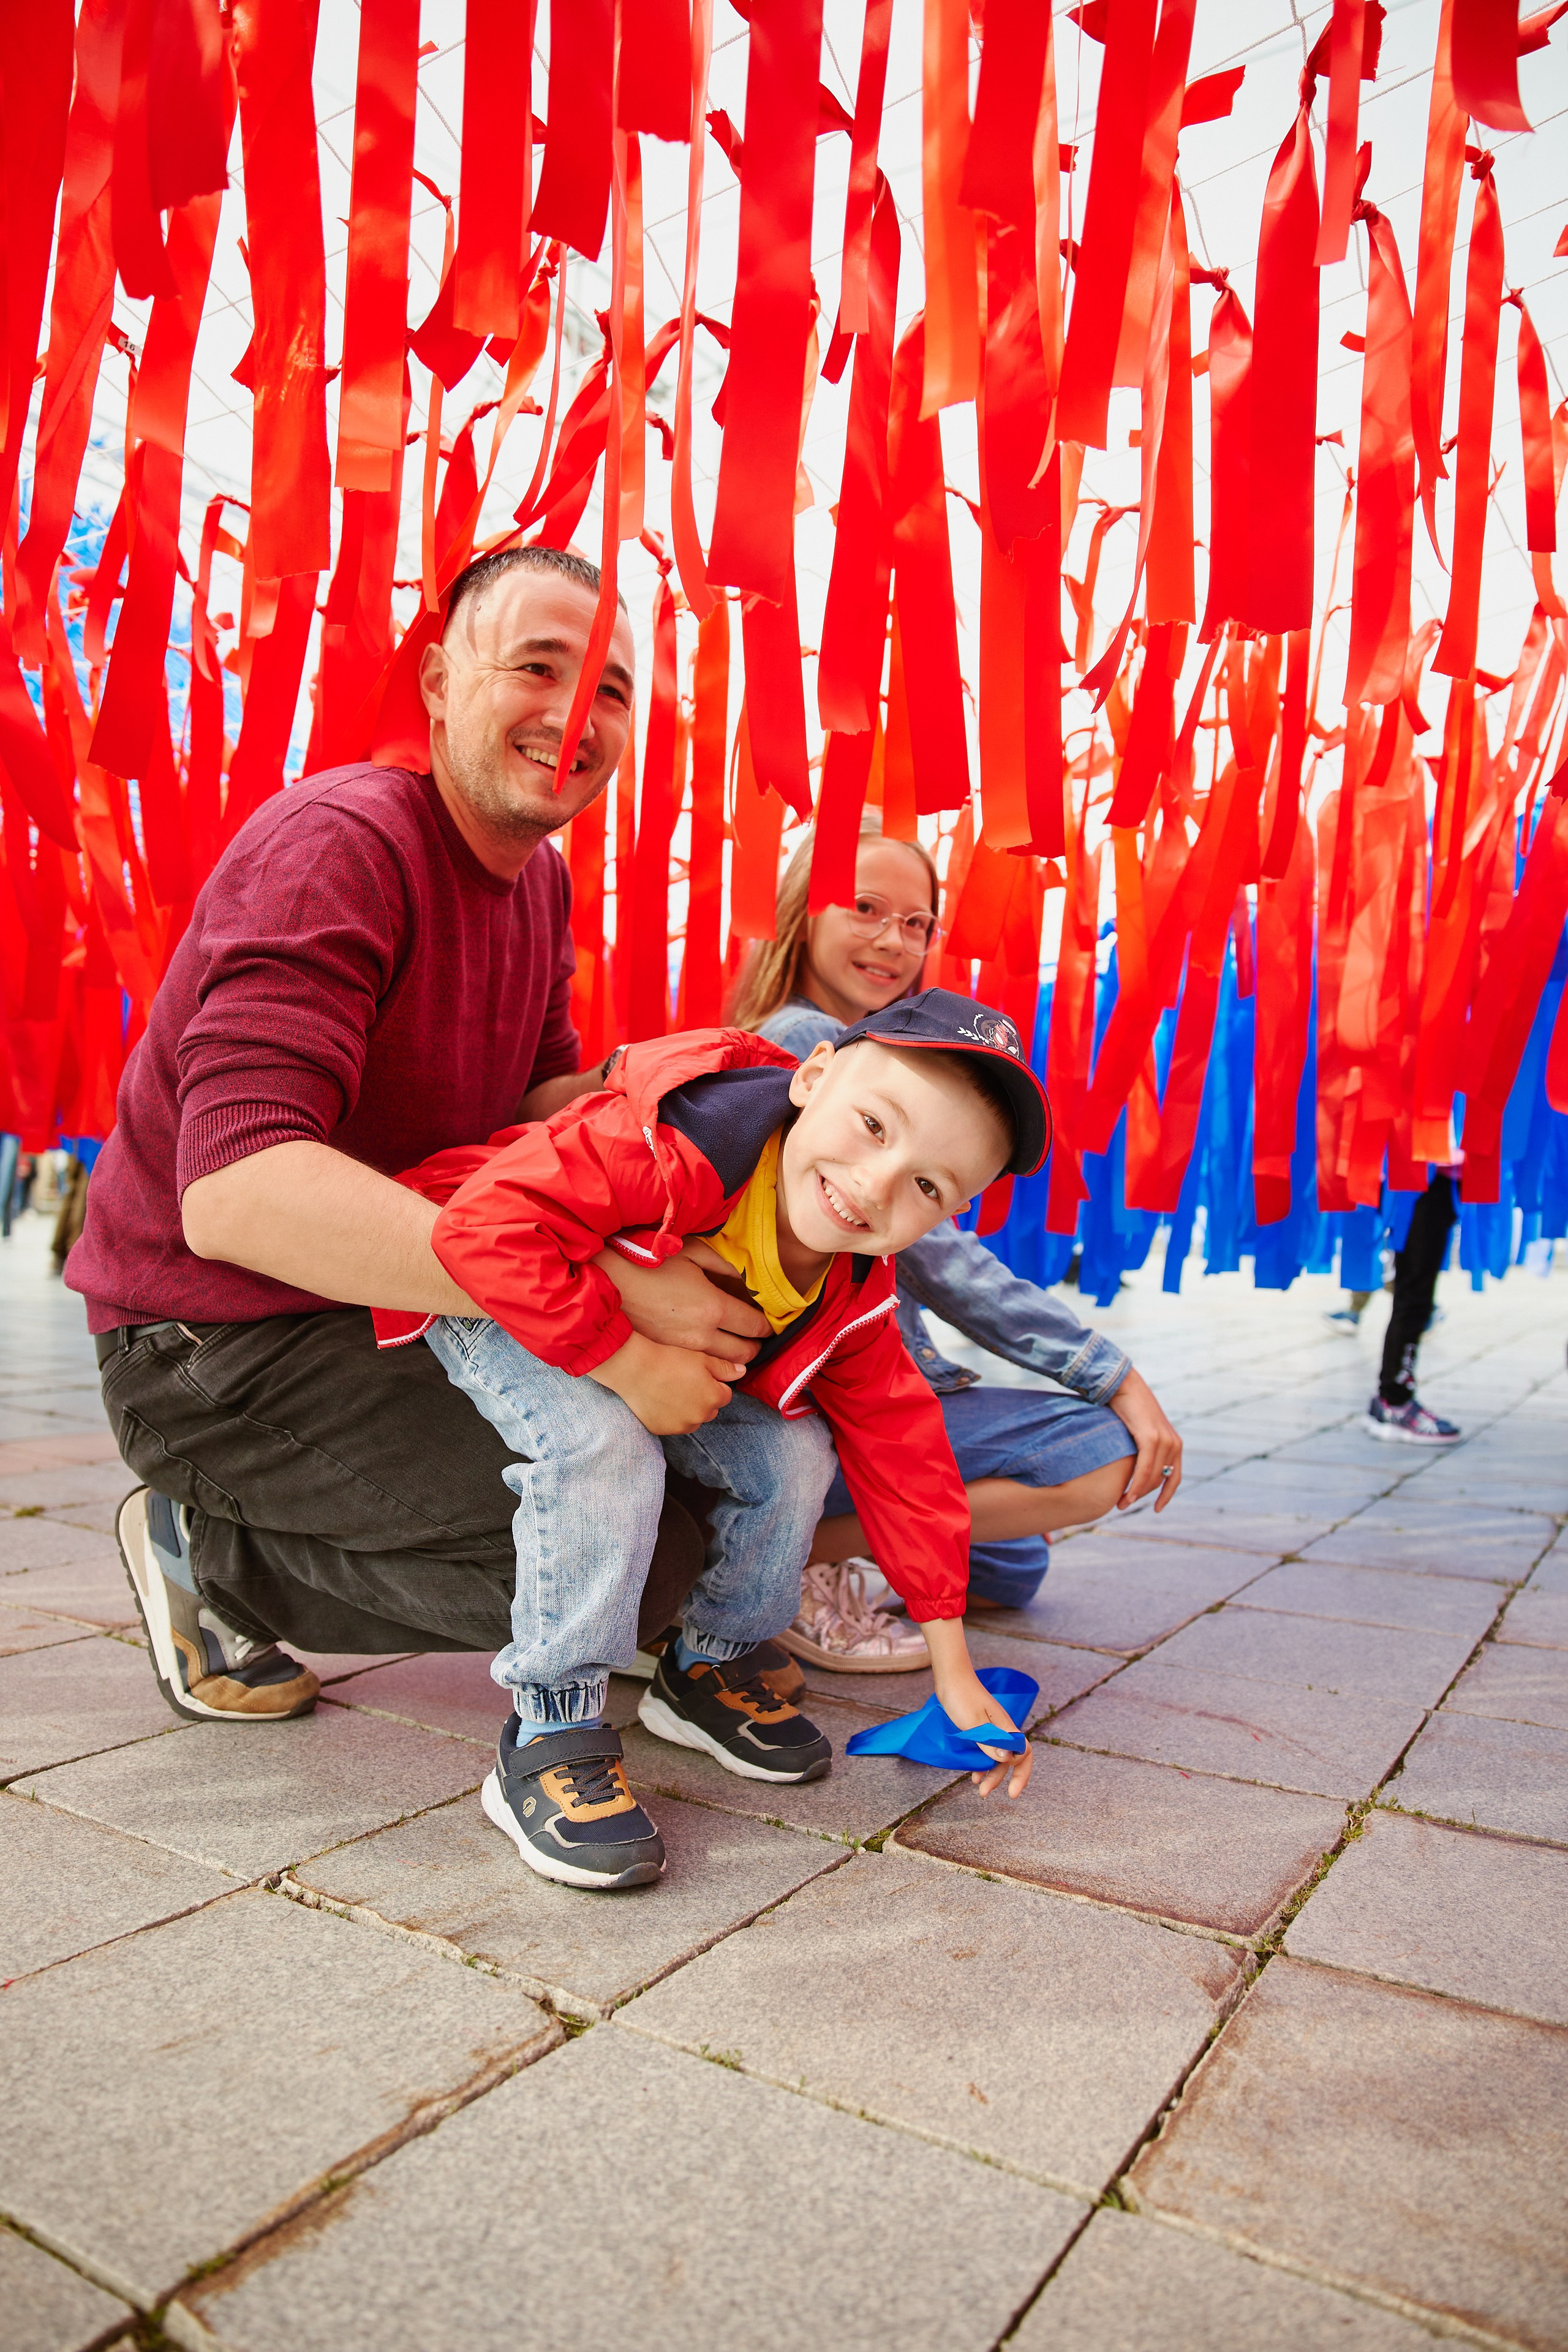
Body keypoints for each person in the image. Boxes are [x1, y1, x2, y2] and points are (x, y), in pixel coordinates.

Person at [69, 546, 779, 1722]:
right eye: (537, 667)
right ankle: (209, 1548)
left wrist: (719, 1103)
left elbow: (531, 1104)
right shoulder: (341, 844)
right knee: (640, 1561)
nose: (576, 715)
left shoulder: (535, 883)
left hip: (375, 1294)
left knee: (731, 1465)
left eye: (610, 687)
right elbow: (237, 1190)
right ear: (442, 679)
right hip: (208, 1337)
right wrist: (590, 1294)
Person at [375, 988, 1047, 1890]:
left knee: (797, 1457)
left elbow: (909, 1465)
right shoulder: (671, 1141)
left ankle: (705, 1670)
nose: (874, 1186)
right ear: (812, 1076)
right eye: (875, 1127)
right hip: (501, 1274)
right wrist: (621, 1360)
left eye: (929, 1185)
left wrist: (954, 1670)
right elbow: (482, 1229)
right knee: (606, 1446)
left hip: (623, 1322)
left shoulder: (855, 1291)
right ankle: (550, 1724)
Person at [732, 812, 1185, 1673]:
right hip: (824, 1406)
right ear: (803, 910)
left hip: (875, 1394)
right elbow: (942, 1259)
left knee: (1015, 1564)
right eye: (865, 907)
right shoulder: (802, 1041)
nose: (891, 940)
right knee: (1103, 1453)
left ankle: (830, 1542)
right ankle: (767, 1564)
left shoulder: (890, 1051)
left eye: (916, 923)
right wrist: (1109, 1371)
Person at [1363, 1171, 1461, 1443]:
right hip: (1419, 1174)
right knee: (1415, 1293)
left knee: (1415, 1291)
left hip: (1432, 1177)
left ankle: (1391, 1399)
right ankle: (1395, 1402)